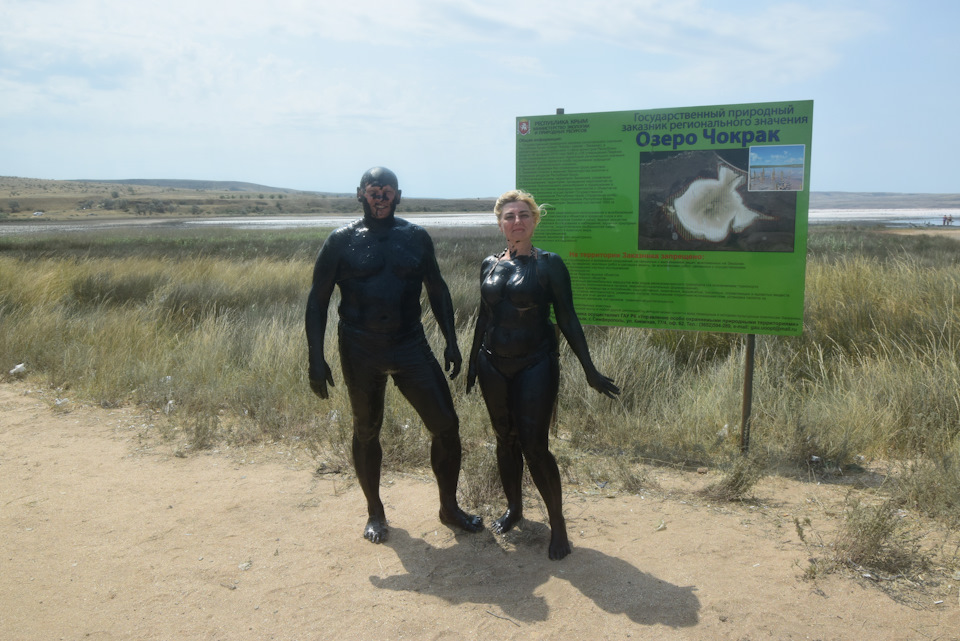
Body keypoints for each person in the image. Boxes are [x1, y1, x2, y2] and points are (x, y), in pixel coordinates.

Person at [305, 166, 482, 544]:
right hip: (359, 348)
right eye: (373, 190)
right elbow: (317, 302)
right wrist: (316, 359)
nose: (380, 196)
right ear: (360, 194)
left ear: (398, 196)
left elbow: (437, 289)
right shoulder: (341, 241)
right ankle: (375, 511)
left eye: (387, 191)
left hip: (409, 344)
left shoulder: (415, 237)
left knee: (446, 426)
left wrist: (451, 340)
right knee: (366, 430)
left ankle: (449, 508)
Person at [466, 189, 620, 560]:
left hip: (535, 363)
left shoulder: (549, 264)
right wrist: (472, 363)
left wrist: (590, 370)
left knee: (535, 447)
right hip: (492, 363)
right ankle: (515, 508)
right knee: (504, 439)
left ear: (535, 220)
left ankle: (558, 525)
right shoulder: (489, 263)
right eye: (509, 216)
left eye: (523, 215)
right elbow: (484, 317)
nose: (516, 222)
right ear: (500, 222)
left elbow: (567, 318)